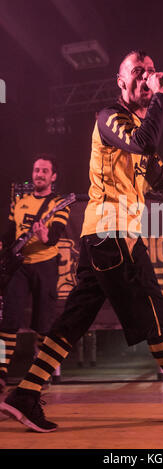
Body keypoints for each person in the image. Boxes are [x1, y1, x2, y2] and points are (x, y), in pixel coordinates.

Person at [0, 51, 163, 432]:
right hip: (111, 235)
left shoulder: (140, 134)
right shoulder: (109, 117)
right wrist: (161, 96)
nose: (145, 78)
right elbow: (144, 143)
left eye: (149, 72)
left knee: (75, 319)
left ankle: (25, 394)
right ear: (121, 81)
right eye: (137, 72)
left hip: (109, 238)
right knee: (154, 308)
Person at [0, 154, 70, 393]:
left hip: (45, 266)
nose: (39, 174)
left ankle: (39, 377)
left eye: (44, 171)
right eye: (36, 169)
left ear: (53, 176)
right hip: (19, 268)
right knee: (7, 323)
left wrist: (44, 236)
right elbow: (8, 235)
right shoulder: (19, 203)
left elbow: (56, 235)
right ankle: (0, 374)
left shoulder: (59, 204)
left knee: (44, 325)